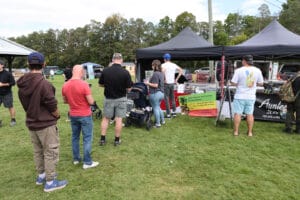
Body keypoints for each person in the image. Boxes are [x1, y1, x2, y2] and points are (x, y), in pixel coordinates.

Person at [17, 52, 67, 192]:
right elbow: (52, 105)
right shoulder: (44, 84)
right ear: (44, 64)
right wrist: (57, 115)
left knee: (38, 150)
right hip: (45, 124)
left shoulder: (22, 84)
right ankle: (50, 182)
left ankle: (42, 175)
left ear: (28, 64)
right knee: (50, 151)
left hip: (32, 122)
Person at [62, 65, 99, 169]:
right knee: (87, 138)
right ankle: (87, 162)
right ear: (81, 72)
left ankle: (76, 159)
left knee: (75, 137)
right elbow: (91, 101)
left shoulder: (65, 85)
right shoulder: (84, 84)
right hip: (85, 114)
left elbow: (65, 101)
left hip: (73, 114)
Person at [98, 53, 132, 146]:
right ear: (121, 60)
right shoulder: (125, 72)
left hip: (108, 98)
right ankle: (117, 140)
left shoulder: (106, 70)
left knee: (105, 118)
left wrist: (108, 86)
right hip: (121, 98)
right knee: (119, 119)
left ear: (113, 60)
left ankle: (102, 139)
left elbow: (100, 84)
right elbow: (129, 88)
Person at [230, 55, 264, 137]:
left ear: (244, 61)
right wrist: (253, 83)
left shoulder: (238, 70)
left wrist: (239, 83)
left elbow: (233, 82)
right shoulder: (257, 70)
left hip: (240, 96)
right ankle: (249, 133)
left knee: (237, 114)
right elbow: (261, 83)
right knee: (250, 114)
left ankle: (236, 132)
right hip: (251, 96)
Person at [144, 59, 165, 128]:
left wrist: (147, 83)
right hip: (161, 93)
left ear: (155, 65)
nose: (152, 66)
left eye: (152, 65)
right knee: (158, 108)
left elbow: (155, 85)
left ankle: (158, 124)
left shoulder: (155, 73)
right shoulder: (161, 73)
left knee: (155, 108)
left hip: (155, 93)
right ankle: (162, 121)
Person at [161, 53, 183, 118]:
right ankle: (174, 112)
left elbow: (162, 72)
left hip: (166, 84)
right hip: (172, 83)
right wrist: (176, 79)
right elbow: (181, 70)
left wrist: (164, 79)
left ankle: (168, 114)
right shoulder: (173, 65)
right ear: (169, 58)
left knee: (166, 99)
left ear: (165, 59)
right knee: (172, 98)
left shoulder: (163, 65)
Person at [0, 59, 16, 127]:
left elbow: (13, 83)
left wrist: (3, 84)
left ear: (2, 65)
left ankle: (13, 120)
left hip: (7, 93)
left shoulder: (8, 74)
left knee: (10, 106)